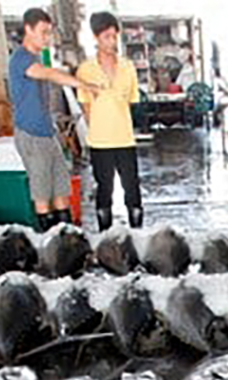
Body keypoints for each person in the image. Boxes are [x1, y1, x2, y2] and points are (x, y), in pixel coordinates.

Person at [9, 8, 99, 228]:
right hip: (31, 134)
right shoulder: (21, 58)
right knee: (42, 193)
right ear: (28, 29)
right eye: (43, 32)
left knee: (61, 189)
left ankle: (67, 237)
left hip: (48, 134)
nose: (47, 38)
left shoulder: (36, 57)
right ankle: (50, 246)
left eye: (49, 33)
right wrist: (83, 84)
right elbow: (49, 74)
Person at [77, 12, 144, 230]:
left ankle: (137, 235)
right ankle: (105, 237)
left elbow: (132, 101)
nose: (112, 42)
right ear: (96, 38)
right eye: (107, 37)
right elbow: (85, 106)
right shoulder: (85, 70)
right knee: (104, 188)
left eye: (114, 37)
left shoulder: (128, 67)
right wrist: (95, 132)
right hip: (100, 141)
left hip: (125, 138)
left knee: (132, 188)